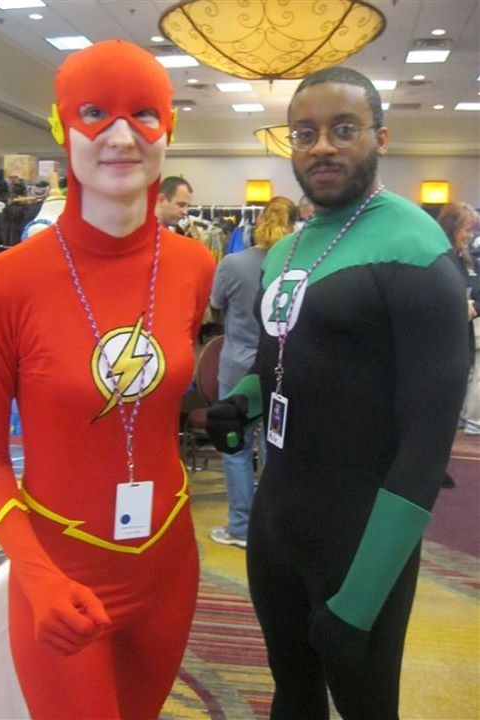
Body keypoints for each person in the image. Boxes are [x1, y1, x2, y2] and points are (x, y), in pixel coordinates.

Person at [0, 39, 215, 720]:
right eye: (96, 113)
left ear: (168, 129)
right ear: (62, 126)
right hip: (61, 575)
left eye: (144, 114)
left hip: (169, 568)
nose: (122, 137)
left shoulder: (194, 267)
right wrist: (36, 576)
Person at [206, 66, 469, 719]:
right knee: (292, 695)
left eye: (343, 129)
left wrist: (360, 600)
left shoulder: (416, 250)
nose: (322, 146)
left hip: (361, 537)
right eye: (305, 133)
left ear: (380, 137)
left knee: (365, 707)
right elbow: (279, 363)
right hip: (276, 523)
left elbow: (426, 449)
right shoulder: (287, 250)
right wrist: (242, 402)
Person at [209, 196, 297, 548]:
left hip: (236, 365)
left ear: (259, 221)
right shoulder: (298, 265)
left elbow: (216, 304)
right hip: (279, 368)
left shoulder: (233, 263)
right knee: (274, 448)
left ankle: (241, 527)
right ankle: (272, 526)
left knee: (236, 448)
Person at [438, 202, 480, 436]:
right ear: (452, 228)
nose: (471, 235)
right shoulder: (436, 258)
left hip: (465, 336)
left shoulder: (469, 260)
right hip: (440, 340)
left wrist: (473, 306)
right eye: (467, 229)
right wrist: (456, 304)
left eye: (474, 230)